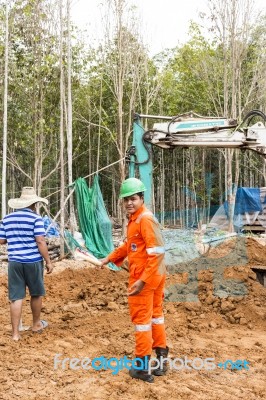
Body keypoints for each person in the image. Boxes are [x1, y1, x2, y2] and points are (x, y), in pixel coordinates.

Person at [100, 178, 168, 383]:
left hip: (145, 277)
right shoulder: (136, 219)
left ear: (141, 198)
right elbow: (129, 246)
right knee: (156, 316)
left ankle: (142, 367)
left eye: (133, 199)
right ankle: (162, 360)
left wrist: (142, 280)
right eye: (126, 200)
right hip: (156, 275)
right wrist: (109, 258)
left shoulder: (144, 219)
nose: (129, 203)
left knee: (142, 322)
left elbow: (156, 252)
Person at [0, 187, 53, 341]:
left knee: (16, 297)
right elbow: (40, 241)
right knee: (36, 293)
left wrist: (15, 237)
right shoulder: (36, 219)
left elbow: (2, 240)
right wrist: (48, 261)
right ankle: (36, 324)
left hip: (15, 262)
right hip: (33, 261)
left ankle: (16, 334)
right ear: (34, 204)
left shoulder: (7, 219)